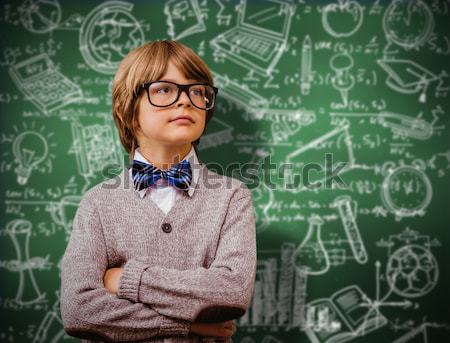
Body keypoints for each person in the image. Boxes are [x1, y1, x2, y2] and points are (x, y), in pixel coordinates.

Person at [60, 40, 257, 343]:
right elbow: (79, 311)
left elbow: (230, 292)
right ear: (127, 109)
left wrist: (125, 278)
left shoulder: (232, 196)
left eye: (197, 90)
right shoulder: (98, 202)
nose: (186, 100)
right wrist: (189, 325)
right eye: (164, 89)